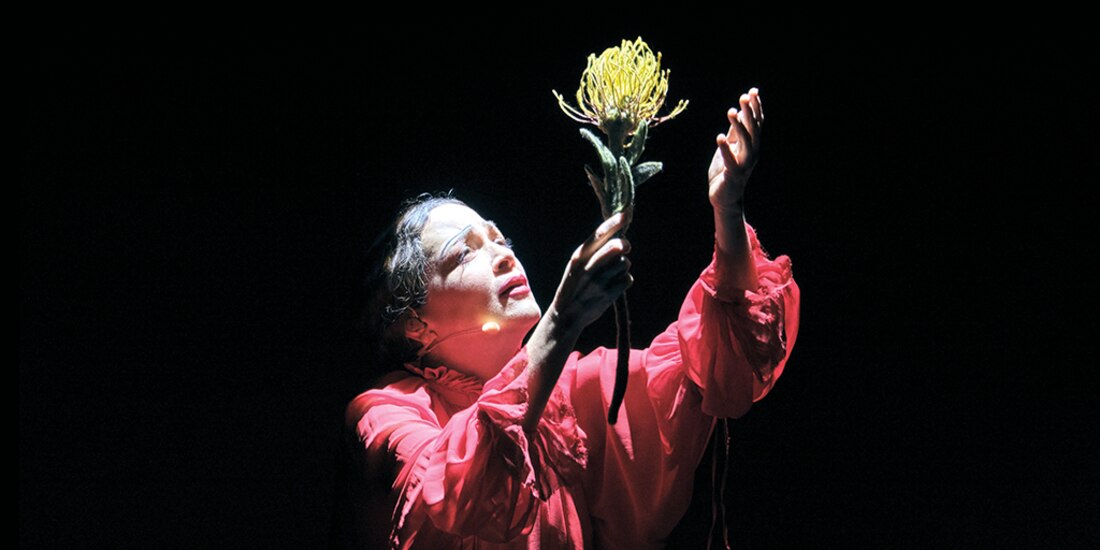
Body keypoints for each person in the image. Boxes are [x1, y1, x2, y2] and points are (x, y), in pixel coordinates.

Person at [339, 88, 800, 548]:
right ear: (415, 325)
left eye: (499, 239)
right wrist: (560, 321)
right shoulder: (384, 413)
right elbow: (452, 493)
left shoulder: (573, 394)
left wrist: (728, 209)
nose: (503, 255)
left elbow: (713, 364)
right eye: (464, 252)